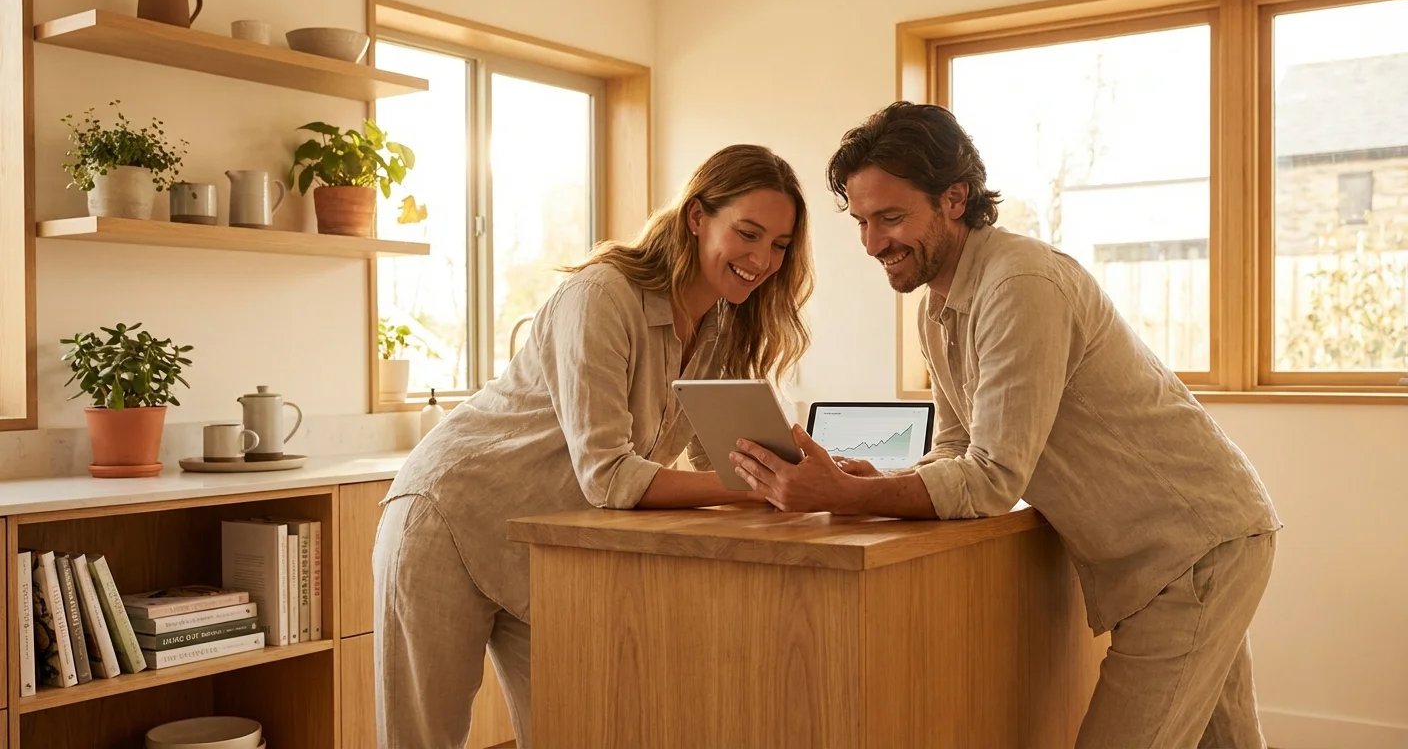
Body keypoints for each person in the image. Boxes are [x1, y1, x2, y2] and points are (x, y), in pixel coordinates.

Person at [729, 101, 1282, 749]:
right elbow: (961, 444)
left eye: (891, 217)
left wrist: (849, 496)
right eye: (862, 221)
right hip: (1191, 545)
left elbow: (993, 478)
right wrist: (879, 476)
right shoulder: (938, 309)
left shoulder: (1019, 285)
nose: (873, 243)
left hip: (1194, 550)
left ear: (955, 198)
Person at [372, 143, 814, 749]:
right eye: (748, 233)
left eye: (780, 245)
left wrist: (815, 473)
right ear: (696, 217)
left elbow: (734, 451)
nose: (763, 259)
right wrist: (763, 488)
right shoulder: (603, 296)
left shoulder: (722, 327)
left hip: (545, 546)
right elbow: (609, 477)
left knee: (578, 730)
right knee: (423, 742)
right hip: (448, 519)